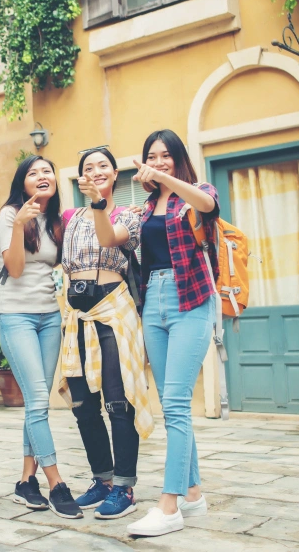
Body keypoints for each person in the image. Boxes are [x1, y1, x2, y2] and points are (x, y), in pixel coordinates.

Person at [125, 129, 220, 538]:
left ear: (178, 158)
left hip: (192, 300)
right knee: (170, 405)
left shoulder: (196, 190)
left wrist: (165, 179)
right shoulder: (145, 208)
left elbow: (209, 205)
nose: (159, 160)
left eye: (166, 155)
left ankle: (169, 507)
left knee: (178, 405)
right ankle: (194, 496)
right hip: (155, 301)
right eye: (152, 155)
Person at [59, 147, 154, 520]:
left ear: (115, 175)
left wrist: (99, 204)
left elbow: (110, 239)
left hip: (114, 310)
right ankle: (102, 479)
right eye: (88, 168)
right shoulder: (70, 218)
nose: (95, 171)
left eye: (103, 166)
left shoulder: (129, 216)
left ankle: (125, 487)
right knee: (83, 404)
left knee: (119, 400)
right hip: (77, 315)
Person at [0, 156, 82, 519]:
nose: (42, 176)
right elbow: (13, 269)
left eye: (48, 172)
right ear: (23, 182)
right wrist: (19, 226)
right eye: (33, 173)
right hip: (15, 313)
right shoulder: (9, 216)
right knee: (37, 401)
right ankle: (56, 482)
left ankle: (25, 482)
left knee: (37, 401)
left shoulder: (58, 221)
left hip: (49, 316)